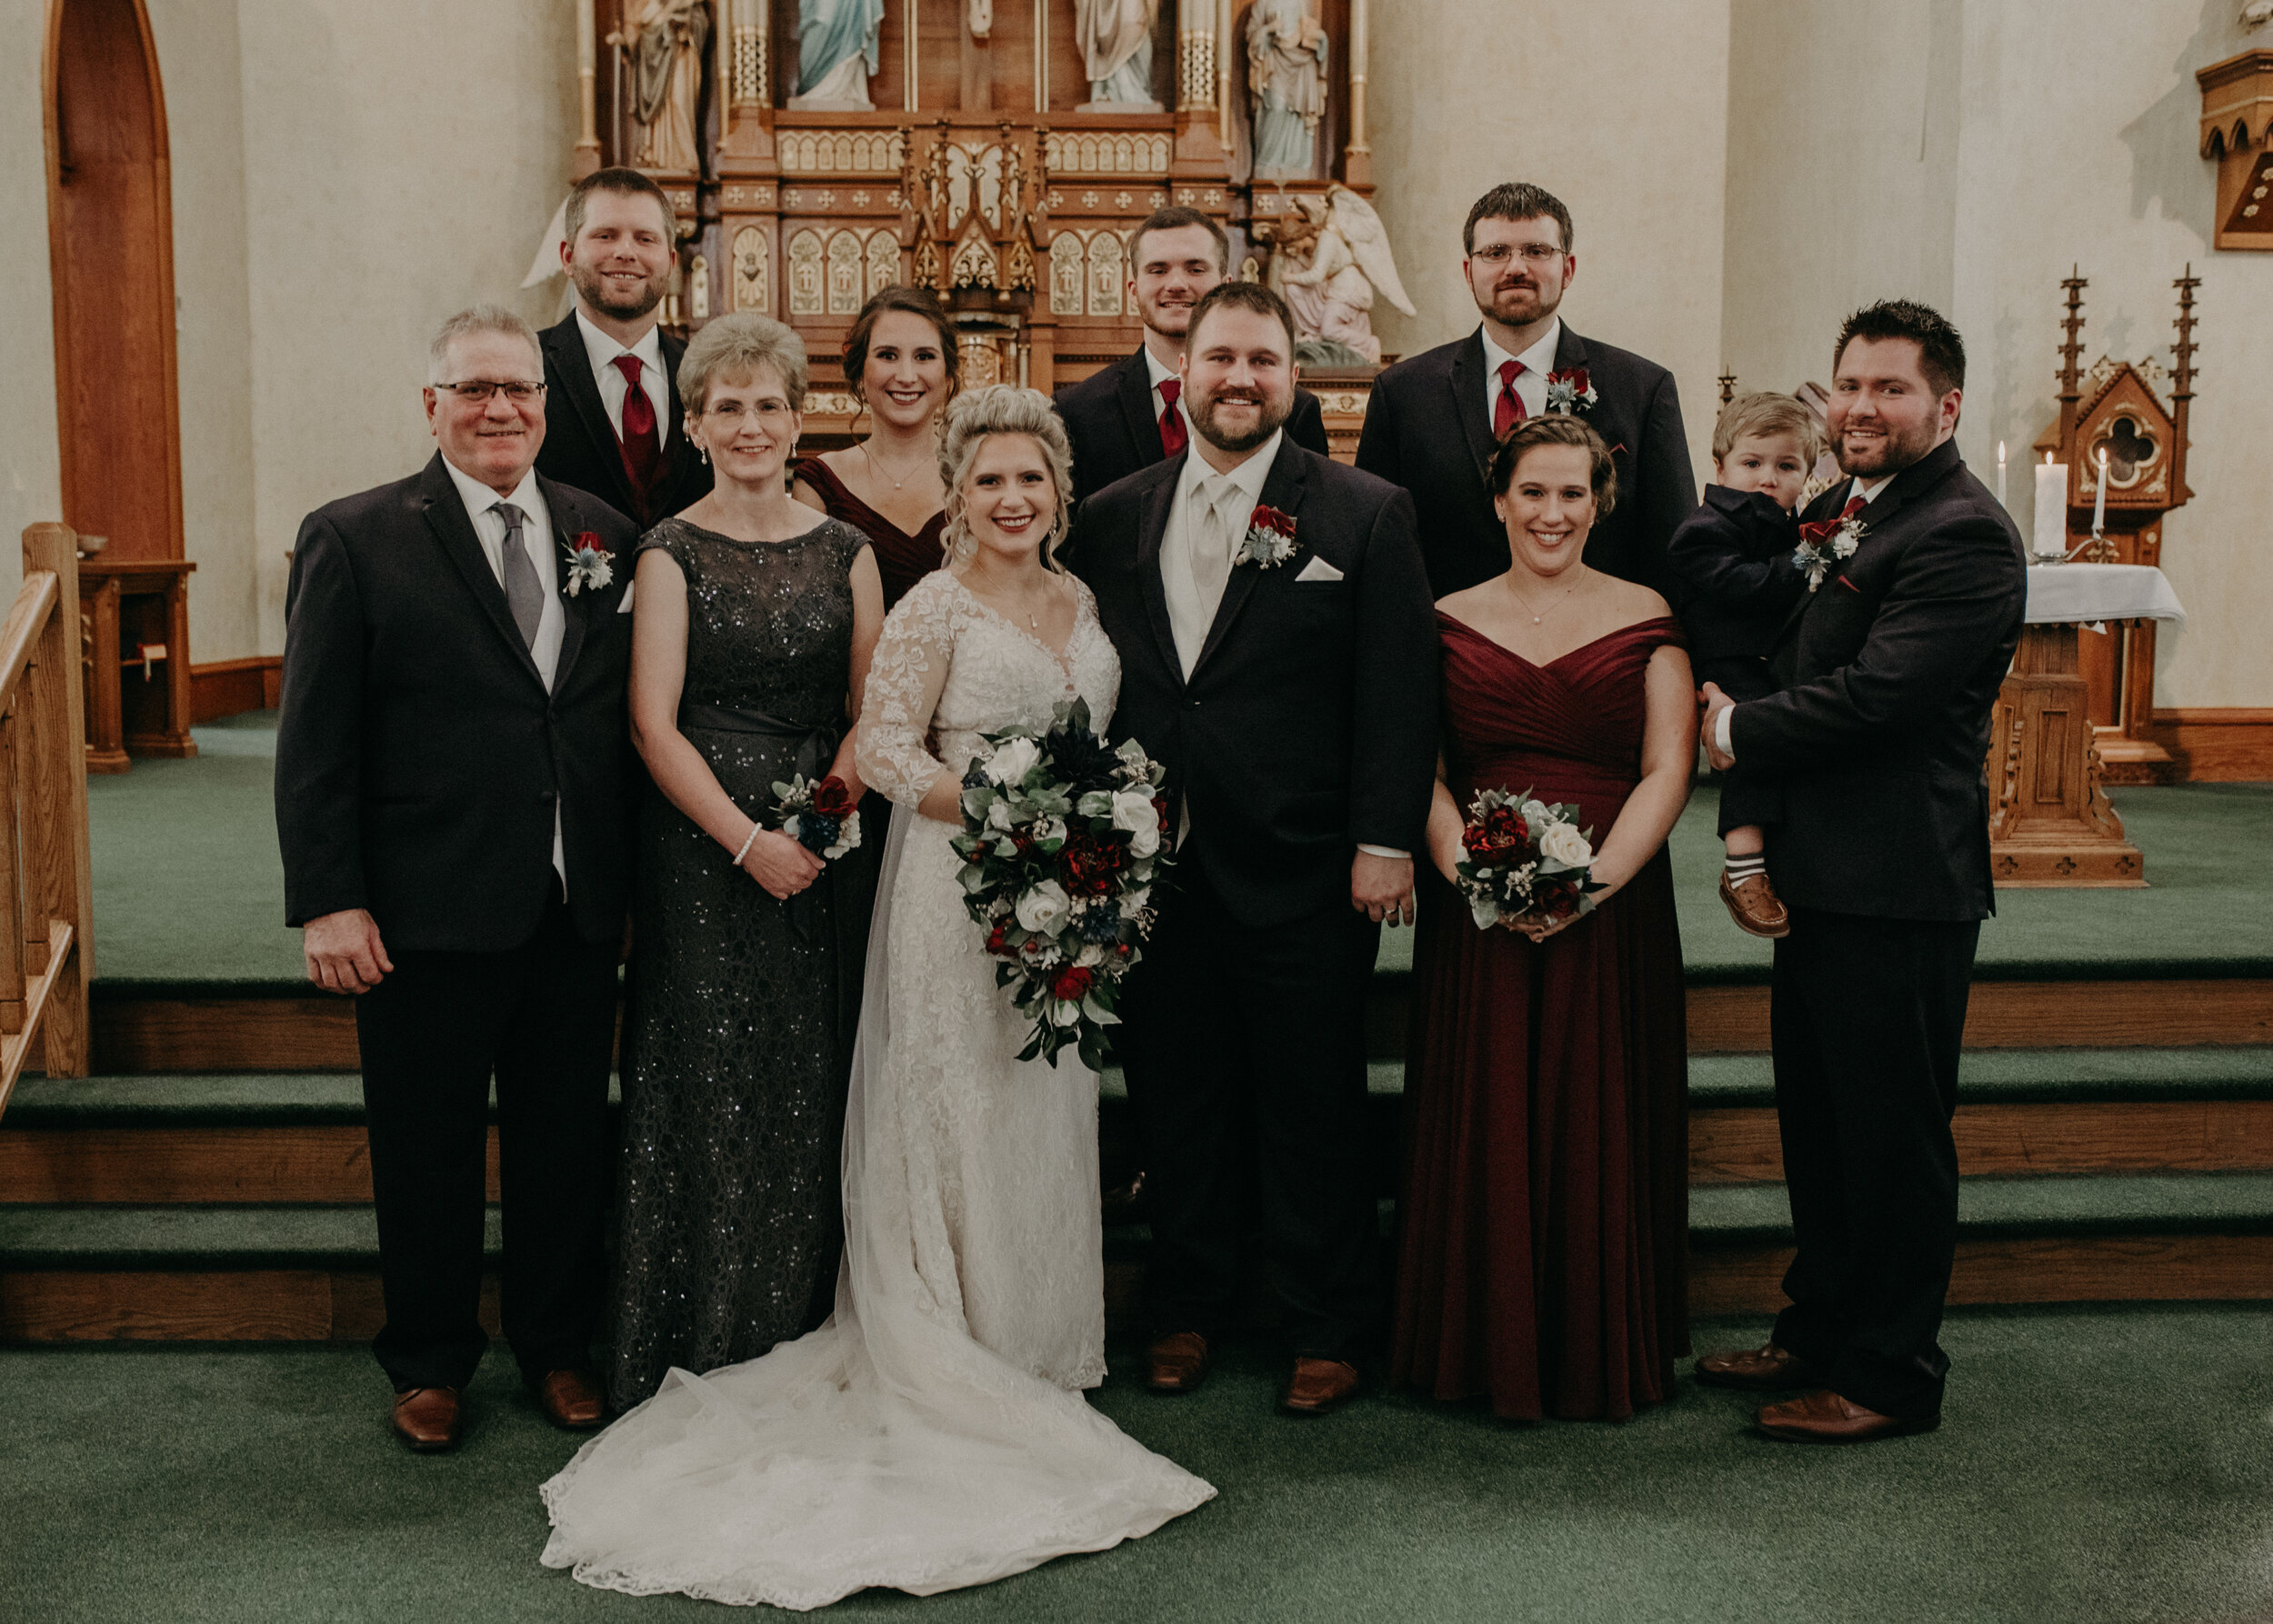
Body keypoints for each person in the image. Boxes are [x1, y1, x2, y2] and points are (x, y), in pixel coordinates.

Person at [540, 386, 1213, 1609]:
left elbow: (1098, 740)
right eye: (991, 481)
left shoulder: (1081, 601)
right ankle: (949, 1339)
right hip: (952, 902)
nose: (1014, 500)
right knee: (952, 1108)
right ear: (957, 494)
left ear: (1060, 492)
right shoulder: (929, 606)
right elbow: (890, 748)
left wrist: (1095, 827)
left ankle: (1034, 1342)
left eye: (1033, 480)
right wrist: (1011, 813)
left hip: (1062, 894)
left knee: (1041, 1104)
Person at [1067, 282, 1437, 1417]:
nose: (1239, 378)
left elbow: (1396, 691)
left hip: (1305, 863)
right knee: (1177, 1095)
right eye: (1220, 357)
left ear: (1294, 376)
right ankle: (1185, 1305)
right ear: (1181, 372)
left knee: (1311, 1100)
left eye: (1262, 361)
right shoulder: (1112, 513)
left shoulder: (1362, 513)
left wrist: (1384, 840)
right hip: (1153, 869)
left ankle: (1323, 1321)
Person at [275, 306, 637, 1452]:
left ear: (543, 400)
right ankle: (429, 1359)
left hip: (571, 902)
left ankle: (556, 1346)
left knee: (564, 1141)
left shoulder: (604, 532)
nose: (499, 409)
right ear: (429, 404)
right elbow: (315, 740)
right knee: (425, 1145)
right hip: (423, 907)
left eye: (518, 389)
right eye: (474, 388)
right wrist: (328, 896)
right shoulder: (354, 536)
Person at [1695, 301, 2027, 1444]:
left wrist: (1737, 733)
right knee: (1822, 1124)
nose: (1859, 408)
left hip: (1896, 878)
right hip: (1821, 874)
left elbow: (1884, 696)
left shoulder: (1962, 532)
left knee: (1890, 1139)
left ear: (1944, 405)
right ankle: (1817, 1328)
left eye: (1888, 389)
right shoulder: (1842, 508)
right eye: (1847, 385)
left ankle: (1887, 1375)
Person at [1390, 415, 1696, 1421]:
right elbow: (1421, 770)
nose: (1551, 513)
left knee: (1591, 1102)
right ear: (1497, 500)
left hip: (1611, 908)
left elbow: (1667, 767)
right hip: (1478, 907)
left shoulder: (1647, 613)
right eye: (1532, 493)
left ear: (1599, 501)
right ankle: (1481, 1340)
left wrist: (1591, 884)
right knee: (1490, 1107)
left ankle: (1595, 1340)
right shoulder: (1443, 616)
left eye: (1572, 494)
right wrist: (1469, 871)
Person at [609, 313, 885, 1411]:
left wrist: (815, 828)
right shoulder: (669, 549)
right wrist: (745, 842)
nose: (751, 424)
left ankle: (813, 1321)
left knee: (815, 1075)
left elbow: (874, 708)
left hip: (826, 844)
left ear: (800, 416)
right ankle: (704, 1327)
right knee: (712, 1076)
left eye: (769, 403)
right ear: (695, 425)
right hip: (701, 854)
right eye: (727, 406)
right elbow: (651, 724)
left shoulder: (847, 551)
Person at [1355, 181, 1695, 598]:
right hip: (1447, 648)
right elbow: (1375, 550)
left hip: (1597, 641)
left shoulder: (1643, 388)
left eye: (1536, 251)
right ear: (1469, 272)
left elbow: (1674, 554)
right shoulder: (1402, 393)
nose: (1515, 268)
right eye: (1495, 253)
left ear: (1567, 269)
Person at [1667, 392, 1823, 938]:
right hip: (1726, 662)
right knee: (1749, 739)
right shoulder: (1704, 528)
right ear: (1720, 466)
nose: (1767, 478)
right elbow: (1739, 586)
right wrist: (1803, 565)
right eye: (1752, 463)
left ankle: (1781, 853)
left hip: (1774, 660)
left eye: (1787, 466)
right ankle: (1743, 866)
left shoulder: (1792, 524)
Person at [1056, 206, 1330, 506]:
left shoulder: (1292, 410)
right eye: (1158, 270)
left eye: (1195, 269)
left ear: (1226, 286)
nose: (1176, 285)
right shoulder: (1076, 413)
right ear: (1133, 291)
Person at [536, 167, 714, 527]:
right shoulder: (525, 369)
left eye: (645, 239)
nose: (626, 252)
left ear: (672, 261)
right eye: (605, 235)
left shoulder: (708, 372)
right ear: (568, 257)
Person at [792, 285, 956, 610]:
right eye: (887, 356)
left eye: (924, 356)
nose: (907, 376)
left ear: (948, 374)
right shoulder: (819, 484)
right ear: (859, 372)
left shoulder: (978, 475)